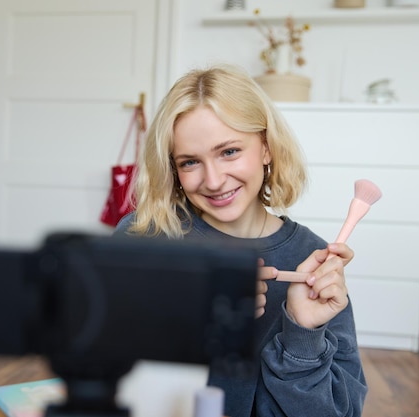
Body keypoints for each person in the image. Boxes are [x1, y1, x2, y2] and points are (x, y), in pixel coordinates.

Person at [113, 64, 367, 417]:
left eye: (229, 151)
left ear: (266, 147)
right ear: (173, 168)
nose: (214, 180)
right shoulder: (143, 237)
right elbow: (96, 365)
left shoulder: (313, 261)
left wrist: (302, 336)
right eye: (190, 162)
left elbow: (341, 412)